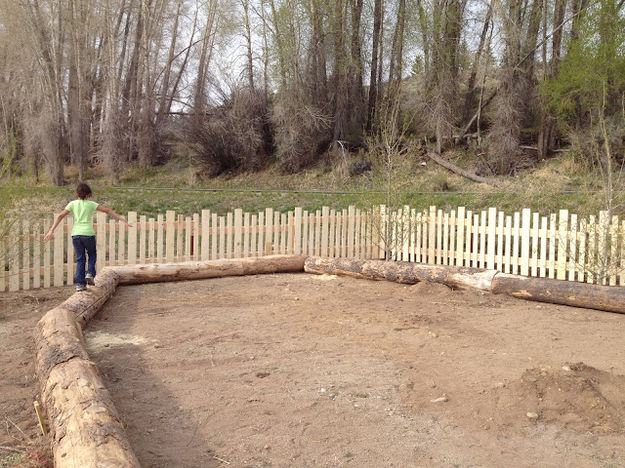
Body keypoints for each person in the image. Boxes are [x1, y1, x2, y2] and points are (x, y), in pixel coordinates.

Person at [44, 183, 131, 292]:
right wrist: (122, 219)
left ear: (77, 194)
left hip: (76, 235)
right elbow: (107, 210)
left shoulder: (72, 204)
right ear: (89, 194)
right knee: (92, 254)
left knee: (80, 259)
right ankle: (90, 273)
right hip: (88, 234)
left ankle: (80, 285)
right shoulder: (91, 204)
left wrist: (51, 230)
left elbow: (60, 215)